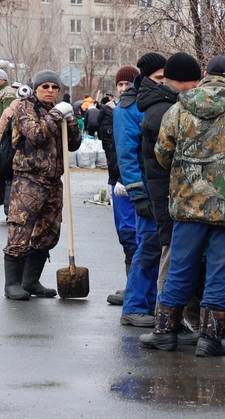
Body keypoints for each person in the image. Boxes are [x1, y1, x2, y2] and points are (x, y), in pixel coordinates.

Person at [140, 55, 225, 357]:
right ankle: (211, 338)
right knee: (220, 269)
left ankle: (164, 332)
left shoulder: (178, 109)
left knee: (180, 266)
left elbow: (162, 155)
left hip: (188, 205)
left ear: (205, 74)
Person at [137, 52, 201, 340]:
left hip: (168, 192)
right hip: (169, 194)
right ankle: (168, 322)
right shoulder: (164, 111)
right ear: (185, 81)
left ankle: (175, 321)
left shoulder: (164, 105)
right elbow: (167, 156)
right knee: (171, 254)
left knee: (174, 252)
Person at [3, 70, 81, 300]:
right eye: (45, 86)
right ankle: (12, 284)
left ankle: (31, 280)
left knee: (49, 232)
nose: (50, 90)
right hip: (29, 178)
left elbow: (74, 145)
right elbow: (36, 135)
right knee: (20, 229)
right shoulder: (24, 108)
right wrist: (56, 115)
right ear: (36, 89)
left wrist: (71, 121)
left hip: (53, 180)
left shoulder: (56, 112)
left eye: (54, 87)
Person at [115, 53, 166, 327]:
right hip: (146, 189)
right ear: (145, 77)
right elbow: (127, 155)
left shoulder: (159, 101)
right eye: (158, 78)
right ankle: (133, 307)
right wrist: (138, 194)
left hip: (161, 187)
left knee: (157, 249)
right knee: (147, 248)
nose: (163, 82)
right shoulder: (128, 108)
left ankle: (148, 305)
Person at [107, 66, 140, 306]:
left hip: (130, 181)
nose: (123, 88)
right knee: (125, 234)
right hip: (116, 181)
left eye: (127, 84)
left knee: (135, 234)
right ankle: (132, 285)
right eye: (120, 84)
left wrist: (125, 179)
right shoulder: (116, 110)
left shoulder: (134, 109)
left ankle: (135, 290)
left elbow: (129, 150)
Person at [0, 82, 26, 215]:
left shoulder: (8, 111)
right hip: (24, 153)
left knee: (9, 181)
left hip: (8, 152)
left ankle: (8, 211)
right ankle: (18, 211)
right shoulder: (32, 111)